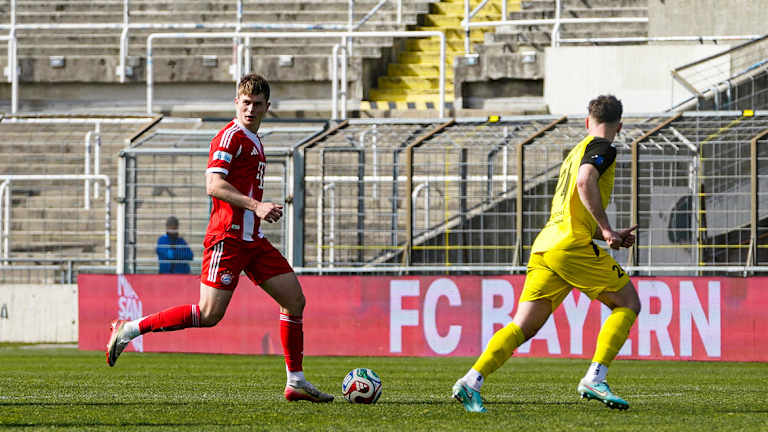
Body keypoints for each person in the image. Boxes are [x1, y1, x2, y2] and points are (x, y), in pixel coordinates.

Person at [106, 74, 334, 403]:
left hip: (253, 241)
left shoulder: (254, 140)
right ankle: (129, 329)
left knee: (295, 300)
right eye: (245, 103)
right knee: (209, 314)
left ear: (267, 107)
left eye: (257, 104)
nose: (250, 109)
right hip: (227, 237)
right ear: (236, 103)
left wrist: (255, 212)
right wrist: (257, 205)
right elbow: (214, 185)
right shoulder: (229, 137)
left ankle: (295, 381)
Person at [452, 95, 640, 412]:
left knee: (523, 326)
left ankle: (471, 381)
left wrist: (607, 232)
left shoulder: (575, 153)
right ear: (619, 126)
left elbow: (573, 206)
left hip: (546, 245)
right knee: (629, 303)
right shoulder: (603, 148)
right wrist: (606, 229)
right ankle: (596, 377)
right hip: (570, 246)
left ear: (587, 121)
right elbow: (586, 182)